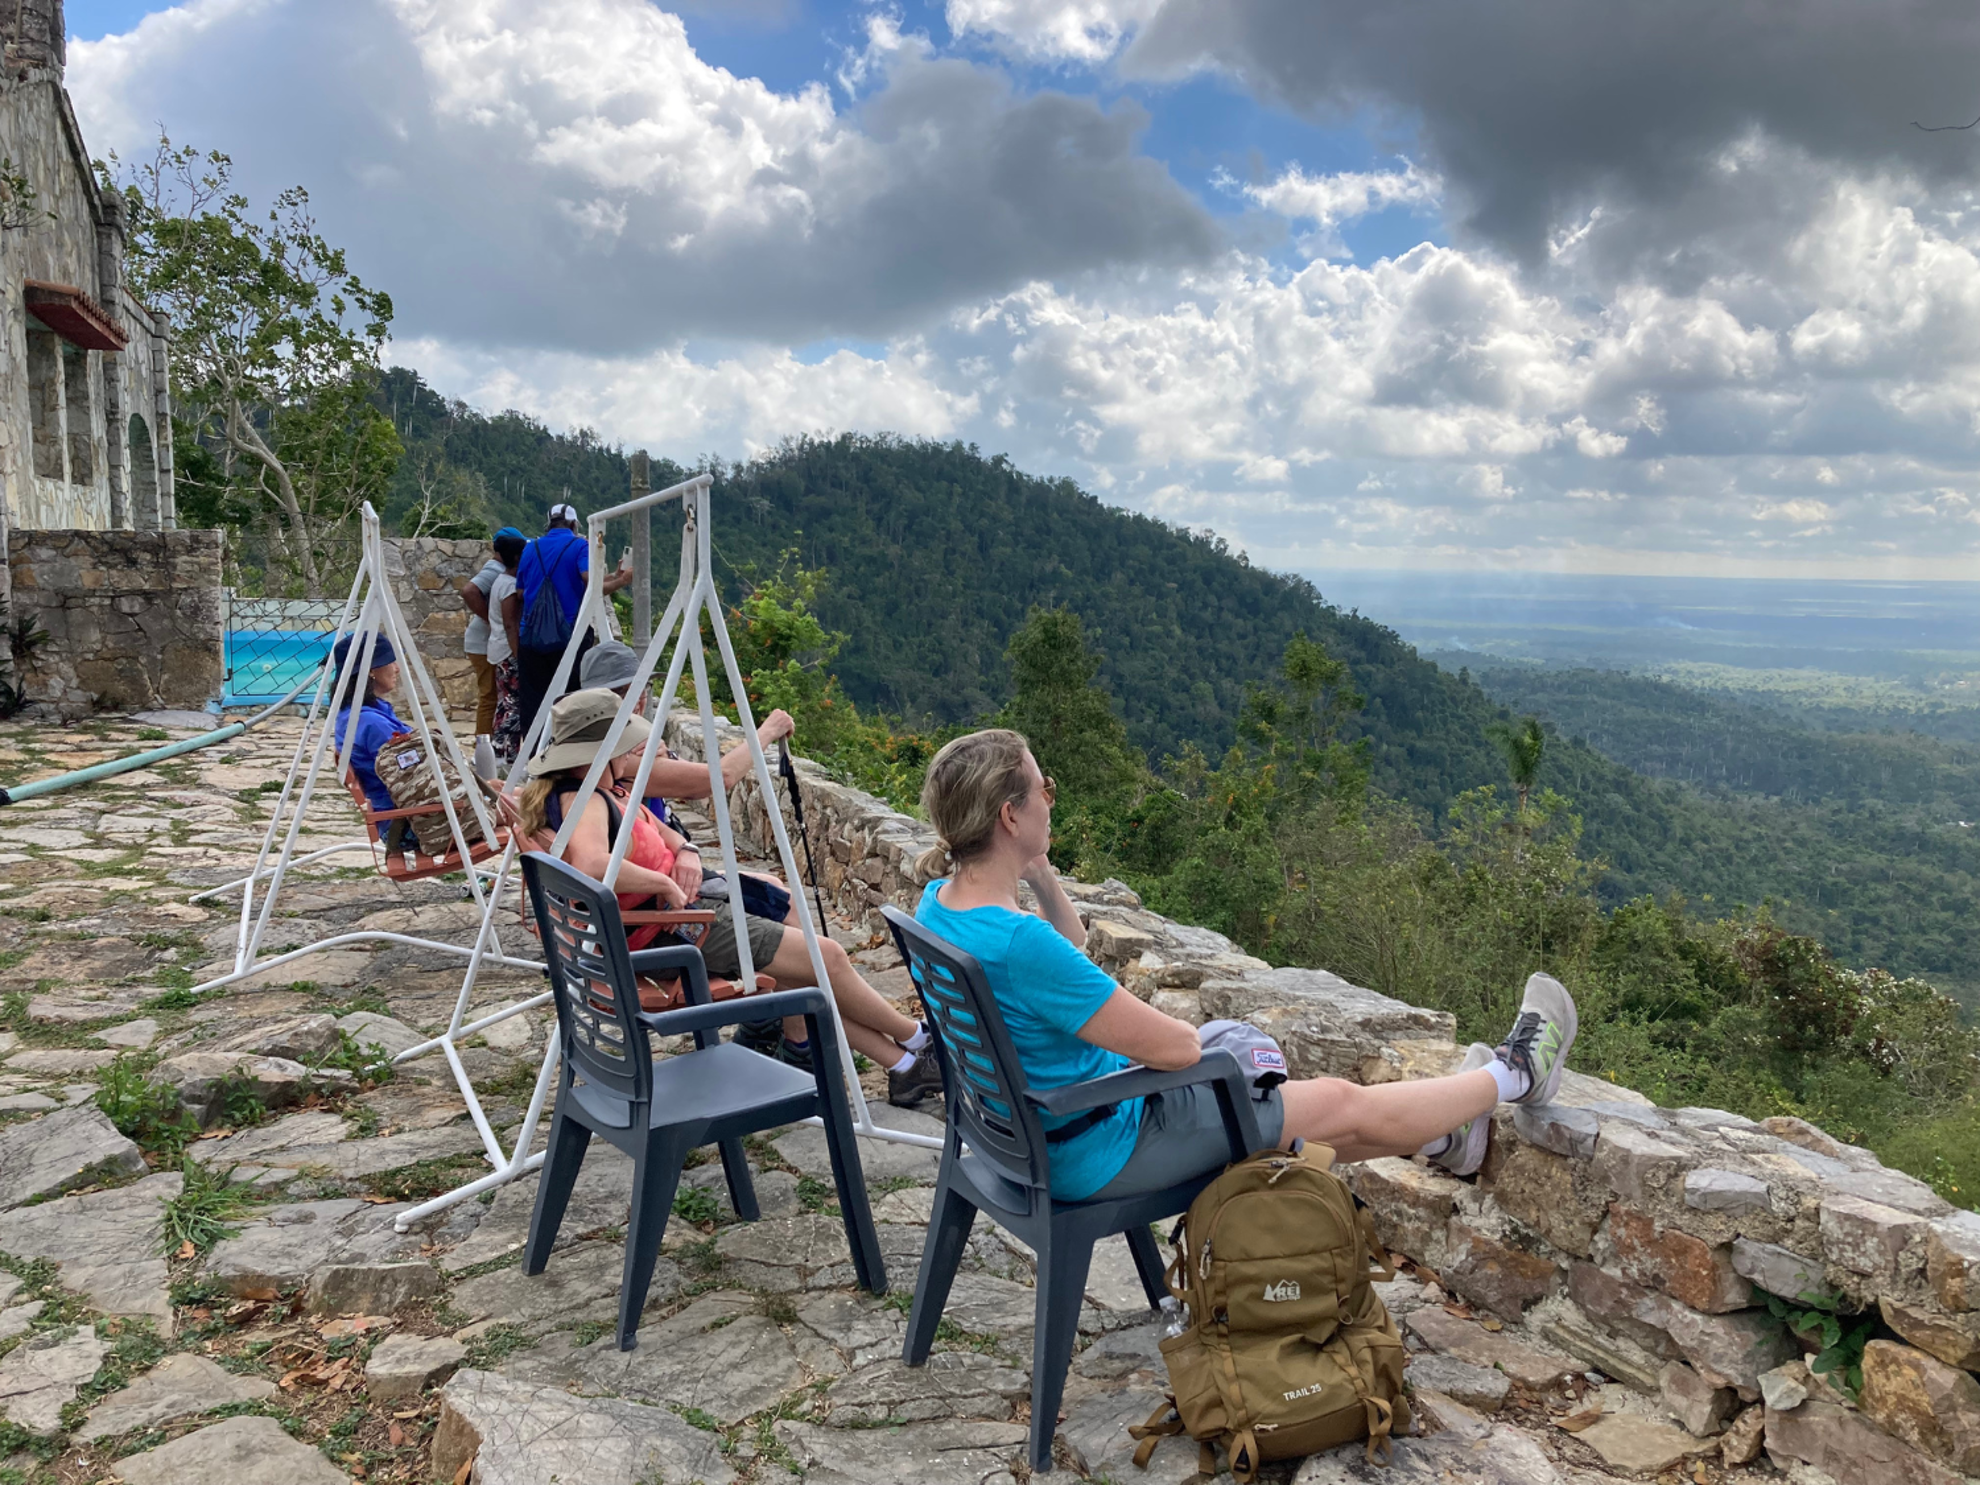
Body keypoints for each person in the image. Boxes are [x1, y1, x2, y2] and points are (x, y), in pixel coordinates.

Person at [913, 729, 1580, 1201]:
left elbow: (1070, 953)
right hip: (1097, 1145)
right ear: (1009, 814)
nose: (1051, 800)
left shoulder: (939, 903)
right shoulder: (1017, 943)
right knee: (1331, 1100)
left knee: (1288, 1107)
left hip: (1031, 1133)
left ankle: (1441, 1138)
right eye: (1043, 788)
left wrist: (1041, 878)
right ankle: (1515, 1072)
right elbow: (1175, 1046)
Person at [520, 690, 945, 1107]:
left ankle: (904, 1064)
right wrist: (661, 883)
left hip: (661, 926)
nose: (629, 755)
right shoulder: (586, 799)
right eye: (623, 748)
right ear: (604, 751)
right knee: (827, 957)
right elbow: (593, 864)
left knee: (803, 969)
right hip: (673, 930)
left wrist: (681, 851)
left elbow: (652, 827)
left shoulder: (589, 795)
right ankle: (917, 1036)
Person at [514, 503, 634, 746]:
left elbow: (520, 591)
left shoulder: (531, 548)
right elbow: (592, 586)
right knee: (570, 699)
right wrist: (622, 582)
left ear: (549, 524)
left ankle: (532, 758)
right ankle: (567, 754)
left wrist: (612, 576)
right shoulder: (580, 546)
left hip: (531, 639)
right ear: (574, 524)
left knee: (533, 702)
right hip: (569, 638)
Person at [329, 632, 406, 833]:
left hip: (402, 814)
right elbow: (411, 773)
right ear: (372, 671)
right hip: (408, 823)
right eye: (391, 662)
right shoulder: (371, 723)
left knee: (494, 792)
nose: (397, 668)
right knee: (496, 802)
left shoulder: (357, 714)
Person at [460, 527, 523, 740]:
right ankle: (483, 745)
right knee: (490, 697)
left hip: (485, 641)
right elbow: (469, 591)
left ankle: (486, 743)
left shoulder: (498, 570)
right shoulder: (496, 571)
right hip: (482, 642)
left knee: (494, 697)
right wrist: (490, 619)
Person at [488, 530, 527, 763]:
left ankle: (499, 752)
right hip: (508, 651)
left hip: (497, 649)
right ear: (516, 558)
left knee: (504, 703)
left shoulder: (499, 582)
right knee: (514, 705)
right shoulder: (510, 587)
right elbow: (510, 623)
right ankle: (508, 755)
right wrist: (518, 654)